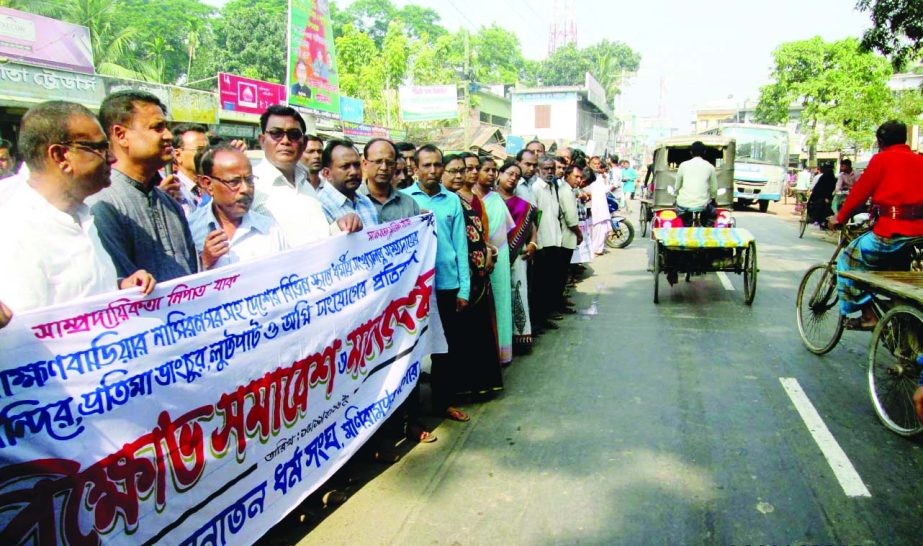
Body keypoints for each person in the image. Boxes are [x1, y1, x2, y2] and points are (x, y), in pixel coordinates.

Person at [0, 101, 155, 314]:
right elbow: (24, 335)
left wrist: (119, 288)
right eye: (100, 148)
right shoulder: (15, 230)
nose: (112, 158)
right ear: (61, 156)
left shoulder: (79, 215)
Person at [87, 90, 198, 282]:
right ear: (121, 135)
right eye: (158, 128)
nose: (169, 136)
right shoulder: (101, 205)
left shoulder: (170, 205)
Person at [401, 144, 471, 423]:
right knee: (413, 351)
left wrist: (463, 288)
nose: (432, 170)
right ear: (415, 168)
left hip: (447, 285)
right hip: (416, 289)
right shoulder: (405, 199)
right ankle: (411, 414)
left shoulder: (452, 200)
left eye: (437, 165)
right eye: (426, 165)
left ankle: (443, 404)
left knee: (447, 350)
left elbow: (460, 245)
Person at [831, 120, 923, 332]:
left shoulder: (881, 160)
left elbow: (859, 193)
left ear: (880, 141)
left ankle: (867, 315)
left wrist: (840, 217)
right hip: (918, 234)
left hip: (890, 232)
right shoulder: (919, 161)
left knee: (847, 260)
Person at [251, 105, 361, 246]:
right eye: (276, 133)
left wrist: (339, 227)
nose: (285, 141)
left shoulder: (306, 185)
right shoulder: (250, 186)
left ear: (302, 144)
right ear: (262, 140)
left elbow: (319, 240)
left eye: (294, 135)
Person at [441, 154, 502, 395]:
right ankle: (461, 388)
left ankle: (480, 383)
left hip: (478, 275)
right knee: (461, 336)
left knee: (478, 331)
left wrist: (487, 250)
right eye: (456, 170)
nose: (462, 175)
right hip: (457, 277)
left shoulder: (469, 200)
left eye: (464, 170)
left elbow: (479, 234)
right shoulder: (447, 201)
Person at [188, 145, 286, 269]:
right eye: (234, 182)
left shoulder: (270, 229)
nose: (245, 189)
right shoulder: (191, 229)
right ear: (208, 184)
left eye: (249, 180)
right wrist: (204, 263)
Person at [474, 156, 515, 366]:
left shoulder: (496, 198)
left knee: (500, 301)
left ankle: (502, 352)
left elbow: (506, 227)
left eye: (494, 170)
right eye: (486, 170)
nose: (491, 174)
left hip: (500, 256)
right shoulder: (467, 198)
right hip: (477, 258)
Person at [497, 160, 538, 350]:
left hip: (518, 257)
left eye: (517, 176)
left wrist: (532, 243)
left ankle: (520, 337)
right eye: (510, 173)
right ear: (500, 173)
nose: (513, 178)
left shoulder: (523, 206)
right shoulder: (488, 200)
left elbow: (532, 227)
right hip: (495, 259)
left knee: (518, 293)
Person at [532, 156, 565, 331]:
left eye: (552, 168)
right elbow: (534, 219)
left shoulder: (553, 187)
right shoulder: (536, 189)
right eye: (545, 169)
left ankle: (546, 315)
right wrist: (538, 243)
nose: (549, 172)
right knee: (541, 284)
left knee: (550, 281)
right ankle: (540, 318)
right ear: (539, 170)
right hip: (543, 243)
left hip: (554, 240)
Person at [316, 139, 379, 227]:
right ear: (327, 173)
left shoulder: (366, 202)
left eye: (357, 165)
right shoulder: (319, 207)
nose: (353, 172)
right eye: (345, 166)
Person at [359, 138, 420, 222]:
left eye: (389, 163)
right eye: (378, 161)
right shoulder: (351, 201)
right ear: (365, 164)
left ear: (395, 166)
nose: (384, 168)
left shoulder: (409, 204)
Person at [674, 141, 718, 227]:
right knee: (712, 215)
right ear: (704, 152)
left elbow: (677, 186)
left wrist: (676, 196)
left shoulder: (683, 165)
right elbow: (714, 189)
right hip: (703, 205)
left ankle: (687, 228)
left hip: (684, 204)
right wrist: (713, 199)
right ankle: (706, 230)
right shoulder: (710, 167)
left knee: (685, 221)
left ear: (691, 152)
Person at [170, 123, 210, 215]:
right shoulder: (174, 191)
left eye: (208, 149)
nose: (206, 154)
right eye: (200, 150)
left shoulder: (212, 187)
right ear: (178, 155)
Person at [588, 166, 612, 255]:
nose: (597, 166)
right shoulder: (588, 177)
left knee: (602, 229)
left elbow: (606, 189)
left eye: (598, 164)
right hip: (593, 206)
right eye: (594, 164)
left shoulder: (600, 177)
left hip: (602, 207)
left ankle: (598, 249)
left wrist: (605, 178)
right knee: (594, 229)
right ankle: (593, 249)